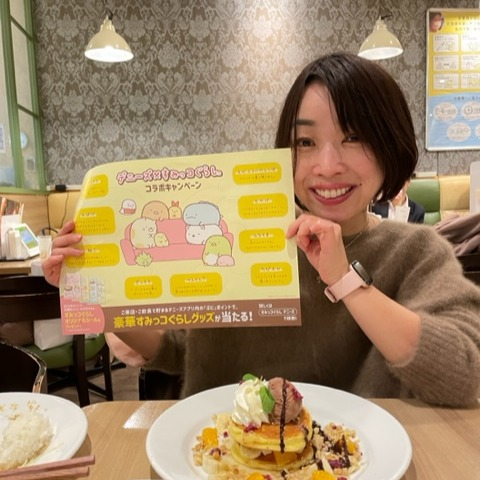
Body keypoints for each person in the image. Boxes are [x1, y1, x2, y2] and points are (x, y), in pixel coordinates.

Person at [42, 52, 480, 407]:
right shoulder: (237, 236)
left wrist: (345, 280)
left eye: (354, 138)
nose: (327, 165)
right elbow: (175, 349)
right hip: (222, 455)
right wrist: (97, 289)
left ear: (390, 146)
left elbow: (462, 375)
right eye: (306, 142)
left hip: (357, 461)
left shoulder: (416, 252)